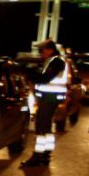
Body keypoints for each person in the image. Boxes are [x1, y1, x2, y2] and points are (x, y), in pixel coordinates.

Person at [20, 39, 67, 167]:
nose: (41, 53)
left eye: (42, 50)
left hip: (50, 98)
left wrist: (30, 74)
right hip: (49, 97)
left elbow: (45, 78)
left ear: (50, 49)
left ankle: (37, 156)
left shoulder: (56, 61)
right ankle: (46, 154)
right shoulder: (53, 61)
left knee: (41, 127)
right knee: (46, 127)